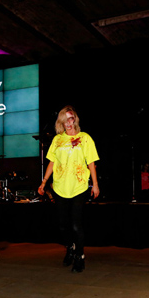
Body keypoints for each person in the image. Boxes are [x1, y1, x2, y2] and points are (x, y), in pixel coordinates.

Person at [38, 106, 100, 273]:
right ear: (61, 122)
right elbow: (51, 162)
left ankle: (80, 256)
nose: (68, 122)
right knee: (63, 225)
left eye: (71, 118)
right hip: (60, 187)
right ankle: (70, 248)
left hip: (79, 187)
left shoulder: (85, 138)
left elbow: (91, 162)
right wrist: (44, 182)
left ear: (75, 119)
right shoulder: (57, 140)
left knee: (75, 224)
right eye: (64, 120)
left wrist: (95, 184)